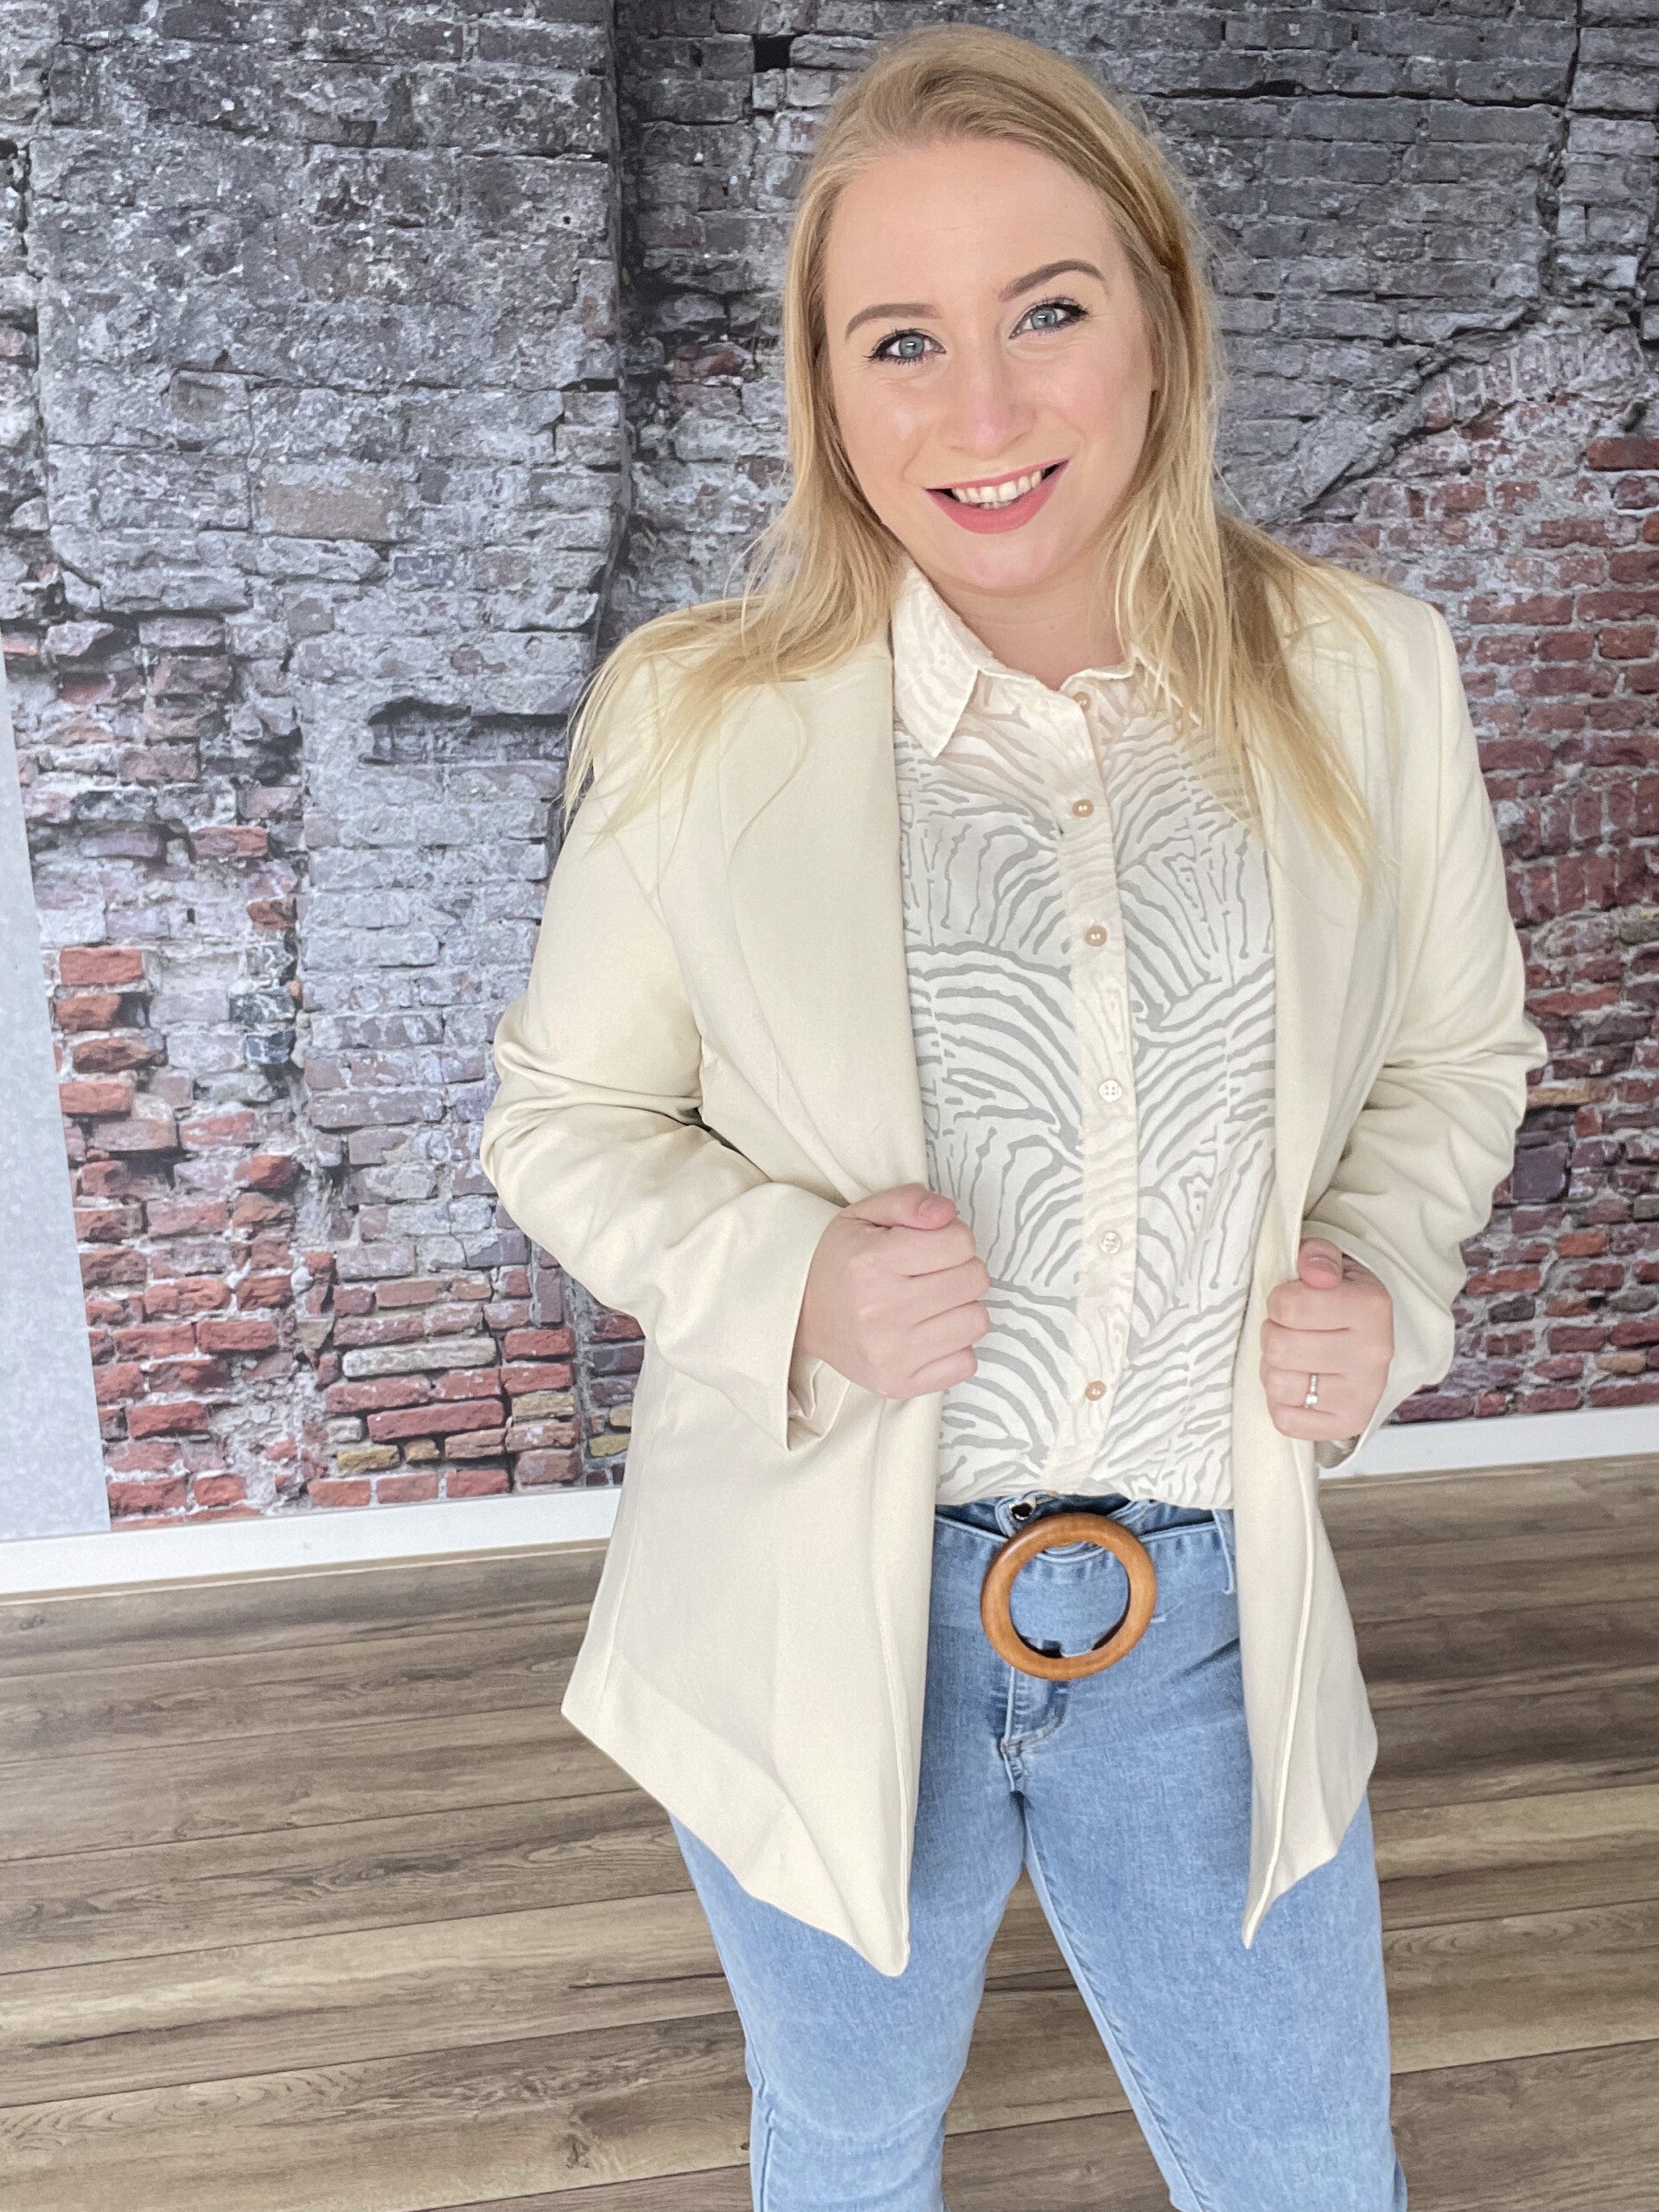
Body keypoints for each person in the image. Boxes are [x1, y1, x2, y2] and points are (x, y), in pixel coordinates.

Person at [478, 24, 1547, 2212]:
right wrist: (788, 1274)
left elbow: (1456, 1057)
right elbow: (564, 1116)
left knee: (1307, 2166)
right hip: (823, 1609)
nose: (980, 411)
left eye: (1046, 310)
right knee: (850, 2141)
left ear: (1158, 318)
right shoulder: (700, 720)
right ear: (829, 390)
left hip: (1215, 1608)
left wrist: (1389, 1275)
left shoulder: (1370, 673)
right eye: (902, 341)